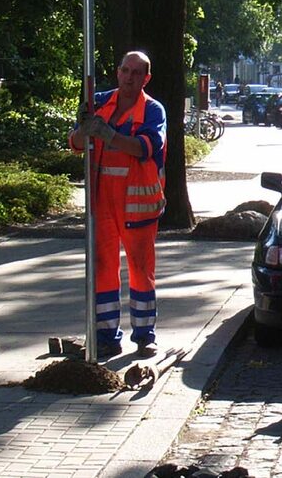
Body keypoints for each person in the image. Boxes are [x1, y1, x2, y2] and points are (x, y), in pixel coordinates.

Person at [69, 51, 167, 360]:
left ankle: (144, 337)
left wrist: (108, 135)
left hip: (138, 205)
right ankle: (106, 336)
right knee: (103, 269)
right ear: (118, 71)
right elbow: (75, 143)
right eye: (125, 70)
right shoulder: (97, 102)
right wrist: (84, 130)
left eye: (136, 72)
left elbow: (144, 148)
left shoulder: (152, 110)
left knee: (141, 271)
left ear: (145, 78)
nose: (129, 76)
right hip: (102, 203)